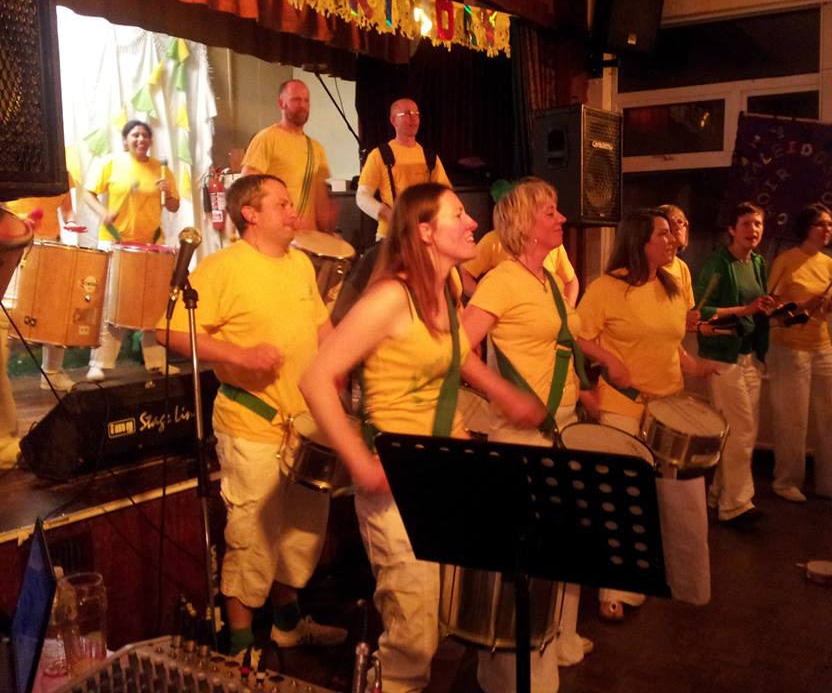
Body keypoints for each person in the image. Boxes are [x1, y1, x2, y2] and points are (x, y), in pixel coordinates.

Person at [299, 182, 544, 693]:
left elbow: (458, 357)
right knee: (412, 639)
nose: (473, 222)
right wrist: (364, 466)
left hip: (445, 474)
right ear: (426, 231)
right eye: (460, 214)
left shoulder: (444, 291)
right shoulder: (391, 296)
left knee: (437, 623)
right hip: (399, 481)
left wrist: (508, 396)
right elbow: (316, 379)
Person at [157, 174, 346, 657]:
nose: (292, 210)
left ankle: (287, 624)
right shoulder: (222, 268)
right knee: (252, 537)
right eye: (280, 203)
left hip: (304, 425)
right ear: (251, 214)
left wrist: (338, 372)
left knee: (300, 535)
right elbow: (167, 333)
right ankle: (239, 648)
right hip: (251, 423)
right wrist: (239, 356)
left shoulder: (302, 264)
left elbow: (321, 329)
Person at [462, 177, 601, 691]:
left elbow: (564, 347)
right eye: (550, 212)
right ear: (524, 224)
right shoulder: (501, 279)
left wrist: (588, 394)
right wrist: (507, 395)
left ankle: (554, 644)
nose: (561, 219)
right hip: (519, 440)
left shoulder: (547, 282)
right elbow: (457, 352)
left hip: (559, 431)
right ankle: (508, 674)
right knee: (520, 565)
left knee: (558, 554)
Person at [577, 209, 717, 620]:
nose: (672, 238)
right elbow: (578, 335)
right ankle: (613, 590)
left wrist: (694, 367)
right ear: (641, 241)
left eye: (672, 232)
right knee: (622, 501)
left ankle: (682, 582)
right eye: (663, 233)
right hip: (623, 406)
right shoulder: (607, 288)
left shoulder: (671, 285)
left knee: (682, 503)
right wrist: (608, 361)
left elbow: (668, 342)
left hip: (668, 407)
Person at [766, 203, 832, 504]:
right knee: (792, 418)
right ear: (806, 227)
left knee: (830, 415)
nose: (827, 230)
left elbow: (829, 303)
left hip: (821, 345)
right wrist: (806, 302)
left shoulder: (830, 264)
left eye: (831, 225)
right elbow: (772, 307)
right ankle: (786, 481)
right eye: (821, 224)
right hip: (789, 346)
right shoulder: (787, 261)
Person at [694, 202, 777, 524]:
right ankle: (737, 505)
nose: (753, 230)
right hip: (721, 356)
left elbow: (755, 304)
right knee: (741, 430)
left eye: (757, 224)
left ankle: (720, 494)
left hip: (747, 355)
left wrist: (765, 308)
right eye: (746, 224)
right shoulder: (718, 262)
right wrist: (745, 311)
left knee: (741, 430)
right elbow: (701, 312)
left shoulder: (756, 261)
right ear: (732, 229)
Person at [85, 120, 179, 382]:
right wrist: (104, 213)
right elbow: (88, 193)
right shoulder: (111, 163)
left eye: (146, 135)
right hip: (115, 242)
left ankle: (156, 363)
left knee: (153, 305)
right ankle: (100, 364)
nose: (141, 139)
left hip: (150, 245)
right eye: (135, 135)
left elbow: (172, 207)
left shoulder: (161, 169)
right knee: (114, 304)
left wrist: (168, 193)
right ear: (126, 139)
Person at [5, 173, 84, 391]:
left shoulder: (60, 172)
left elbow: (67, 210)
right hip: (16, 242)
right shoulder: (11, 164)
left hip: (50, 245)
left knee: (55, 311)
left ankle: (52, 372)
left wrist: (71, 225)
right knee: (8, 313)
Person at [242, 79, 333, 232]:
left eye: (306, 100)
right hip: (277, 236)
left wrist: (328, 231)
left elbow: (320, 199)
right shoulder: (266, 138)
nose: (303, 105)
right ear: (281, 104)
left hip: (309, 239)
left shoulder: (317, 149)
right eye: (296, 100)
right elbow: (247, 189)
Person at [356, 98, 450, 242]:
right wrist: (390, 215)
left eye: (416, 114)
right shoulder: (379, 155)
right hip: (391, 236)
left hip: (424, 236)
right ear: (394, 120)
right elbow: (362, 197)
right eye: (407, 113)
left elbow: (445, 194)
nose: (414, 118)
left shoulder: (429, 157)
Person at [460, 228, 579, 305]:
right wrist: (487, 300)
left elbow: (571, 281)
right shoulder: (494, 240)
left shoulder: (552, 243)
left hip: (548, 332)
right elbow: (463, 274)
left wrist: (567, 312)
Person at [659, 204, 698, 328]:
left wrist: (701, 325)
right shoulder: (650, 267)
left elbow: (683, 321)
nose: (681, 225)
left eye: (682, 221)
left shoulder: (682, 268)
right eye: (673, 222)